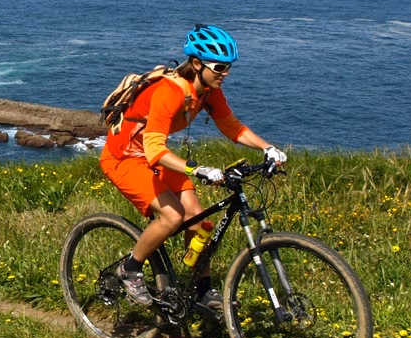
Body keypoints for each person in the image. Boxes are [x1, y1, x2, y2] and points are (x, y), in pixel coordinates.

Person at [99, 24, 286, 307]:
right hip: (124, 157)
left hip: (153, 156)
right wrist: (196, 170)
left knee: (198, 220)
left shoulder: (209, 91)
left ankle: (200, 289)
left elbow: (232, 127)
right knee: (173, 216)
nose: (226, 74)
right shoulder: (169, 92)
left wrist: (268, 148)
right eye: (220, 67)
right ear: (197, 64)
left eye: (229, 68)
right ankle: (130, 269)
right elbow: (155, 151)